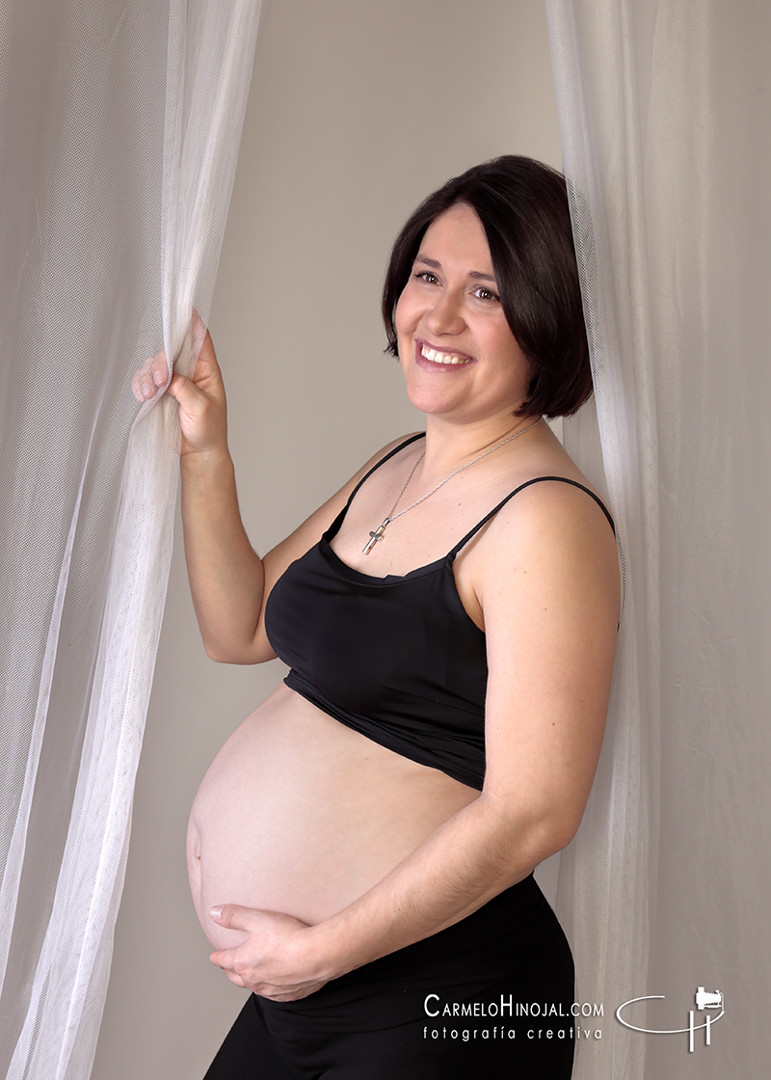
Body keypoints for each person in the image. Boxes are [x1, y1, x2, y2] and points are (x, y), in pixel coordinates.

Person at [136, 156, 620, 1078]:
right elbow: (239, 628)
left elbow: (536, 811)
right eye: (426, 276)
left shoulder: (545, 519)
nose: (435, 318)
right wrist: (208, 454)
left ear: (549, 317)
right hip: (312, 1000)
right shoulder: (395, 462)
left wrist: (321, 950)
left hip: (438, 999)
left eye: (485, 292)